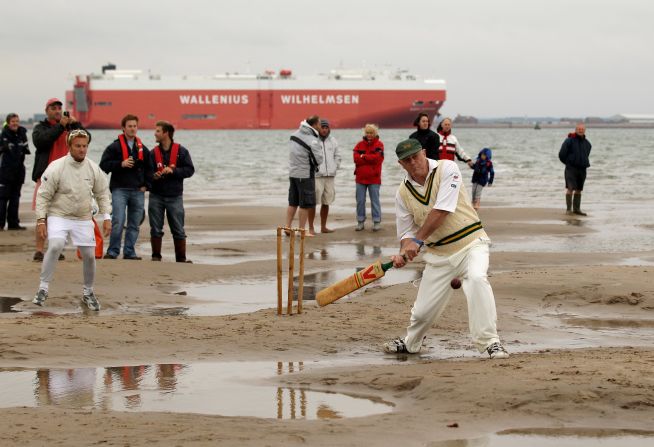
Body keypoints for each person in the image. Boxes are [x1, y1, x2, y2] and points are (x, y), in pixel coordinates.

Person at [383, 138, 509, 359]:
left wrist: (417, 241)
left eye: (416, 156)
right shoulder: (402, 193)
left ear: (423, 153)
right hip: (439, 256)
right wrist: (404, 251)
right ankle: (411, 343)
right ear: (400, 164)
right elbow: (406, 233)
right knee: (422, 313)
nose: (413, 162)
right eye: (407, 160)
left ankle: (490, 343)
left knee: (477, 279)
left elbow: (442, 210)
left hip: (471, 244)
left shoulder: (447, 168)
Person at [32, 129, 111, 311]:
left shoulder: (92, 168)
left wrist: (106, 217)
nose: (82, 150)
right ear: (70, 146)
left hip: (83, 217)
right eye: (78, 146)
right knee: (55, 246)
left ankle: (88, 292)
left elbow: (102, 194)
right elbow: (43, 196)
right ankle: (43, 288)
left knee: (90, 256)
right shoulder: (56, 166)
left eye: (85, 146)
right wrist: (41, 221)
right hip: (59, 215)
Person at [31, 98, 86, 261]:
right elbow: (41, 141)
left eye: (59, 108)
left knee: (60, 215)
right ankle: (39, 250)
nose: (57, 111)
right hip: (46, 176)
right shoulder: (40, 128)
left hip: (66, 178)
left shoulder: (70, 129)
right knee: (43, 214)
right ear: (47, 111)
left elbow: (86, 139)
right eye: (53, 108)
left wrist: (75, 126)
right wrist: (60, 126)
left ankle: (55, 248)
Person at [100, 114, 150, 260]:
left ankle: (129, 252)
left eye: (135, 126)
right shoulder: (114, 147)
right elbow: (103, 165)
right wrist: (120, 164)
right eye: (130, 126)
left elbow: (150, 168)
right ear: (123, 128)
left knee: (134, 223)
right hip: (119, 189)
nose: (133, 129)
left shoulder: (143, 149)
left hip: (137, 190)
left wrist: (146, 185)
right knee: (118, 221)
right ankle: (113, 251)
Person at [147, 121, 195, 262]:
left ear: (166, 133)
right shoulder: (152, 153)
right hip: (156, 195)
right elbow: (147, 173)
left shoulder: (181, 151)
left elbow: (190, 170)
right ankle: (156, 257)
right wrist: (153, 176)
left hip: (175, 196)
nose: (154, 134)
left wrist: (173, 170)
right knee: (155, 229)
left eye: (157, 131)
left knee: (178, 230)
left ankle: (181, 259)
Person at [285, 116, 324, 236]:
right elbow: (319, 159)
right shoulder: (312, 139)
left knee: (293, 202)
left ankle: (287, 227)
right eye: (319, 124)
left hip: (293, 173)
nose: (320, 126)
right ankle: (302, 230)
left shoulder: (294, 135)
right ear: (315, 124)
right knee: (305, 204)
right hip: (305, 174)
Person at [308, 118, 341, 234]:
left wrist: (335, 166)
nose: (324, 130)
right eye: (322, 127)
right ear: (318, 128)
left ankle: (323, 227)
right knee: (313, 202)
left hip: (330, 176)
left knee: (326, 202)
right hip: (317, 176)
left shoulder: (333, 141)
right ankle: (311, 228)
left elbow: (337, 155)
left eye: (326, 127)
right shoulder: (313, 140)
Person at [0, 113, 30, 230]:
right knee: (2, 198)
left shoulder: (22, 135)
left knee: (15, 198)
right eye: (13, 121)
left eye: (17, 121)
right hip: (4, 172)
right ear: (8, 123)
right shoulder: (3, 135)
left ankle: (13, 224)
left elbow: (26, 152)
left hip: (18, 172)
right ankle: (0, 224)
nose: (15, 123)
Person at [353, 123, 384, 231]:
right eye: (367, 133)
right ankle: (360, 221)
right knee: (360, 201)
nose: (369, 135)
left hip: (374, 178)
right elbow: (356, 159)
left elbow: (378, 159)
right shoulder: (359, 145)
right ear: (365, 133)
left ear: (375, 133)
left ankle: (376, 222)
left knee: (375, 201)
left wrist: (364, 156)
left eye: (371, 133)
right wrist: (369, 158)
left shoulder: (379, 145)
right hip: (360, 179)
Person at [559, 123, 591, 216]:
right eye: (579, 129)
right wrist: (569, 162)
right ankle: (569, 210)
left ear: (584, 130)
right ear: (575, 129)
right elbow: (561, 154)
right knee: (570, 188)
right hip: (571, 168)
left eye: (582, 129)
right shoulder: (569, 140)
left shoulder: (587, 143)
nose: (580, 130)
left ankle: (577, 209)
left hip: (582, 169)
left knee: (579, 189)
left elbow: (587, 154)